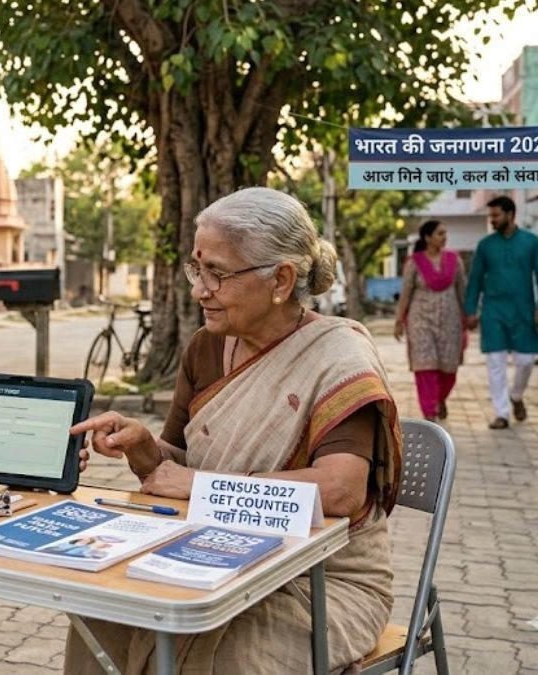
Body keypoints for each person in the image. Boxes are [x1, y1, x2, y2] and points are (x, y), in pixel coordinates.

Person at [64, 187, 402, 675]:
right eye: (196, 270)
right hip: (208, 552)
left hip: (320, 580)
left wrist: (198, 486)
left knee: (221, 650)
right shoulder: (206, 346)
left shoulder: (339, 358)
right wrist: (142, 447)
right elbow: (175, 464)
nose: (200, 290)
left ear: (281, 279)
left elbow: (342, 491)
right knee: (102, 610)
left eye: (217, 274)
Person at [464, 195, 538, 430]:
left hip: (523, 310)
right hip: (493, 311)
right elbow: (475, 280)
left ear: (510, 214)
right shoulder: (485, 245)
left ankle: (516, 396)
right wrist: (470, 310)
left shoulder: (531, 242)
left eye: (496, 215)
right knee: (495, 362)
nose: (492, 220)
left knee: (526, 361)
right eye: (490, 215)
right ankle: (502, 413)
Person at [395, 220, 467, 423]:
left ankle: (439, 399)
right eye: (440, 233)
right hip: (420, 321)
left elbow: (463, 290)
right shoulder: (414, 262)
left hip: (450, 321)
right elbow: (406, 292)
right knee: (425, 365)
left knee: (448, 367)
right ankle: (430, 411)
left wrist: (469, 315)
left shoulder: (455, 260)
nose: (445, 237)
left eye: (445, 233)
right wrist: (399, 320)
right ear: (427, 238)